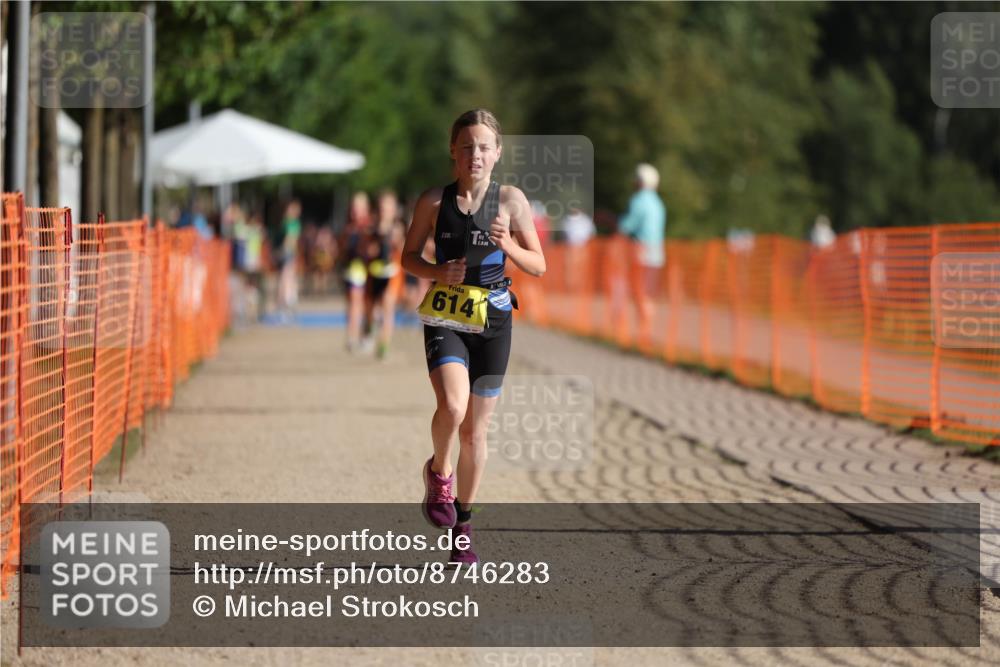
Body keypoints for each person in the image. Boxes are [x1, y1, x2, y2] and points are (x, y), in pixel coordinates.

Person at [401, 109, 546, 564]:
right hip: (446, 313)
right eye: (467, 146)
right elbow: (407, 258)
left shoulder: (511, 201)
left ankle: (463, 525)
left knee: (476, 433)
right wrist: (436, 271)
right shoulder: (431, 201)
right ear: (453, 152)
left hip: (494, 320)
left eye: (484, 146)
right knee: (453, 406)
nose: (475, 155)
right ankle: (438, 472)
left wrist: (509, 246)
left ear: (497, 153)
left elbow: (538, 264)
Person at [617, 163, 666, 348]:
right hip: (657, 254)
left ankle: (644, 334)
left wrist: (619, 224)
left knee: (640, 293)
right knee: (649, 294)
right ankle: (647, 332)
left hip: (640, 253)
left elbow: (626, 226)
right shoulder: (658, 203)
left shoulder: (639, 200)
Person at [364, 190, 405, 359]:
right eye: (382, 206)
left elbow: (404, 249)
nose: (384, 210)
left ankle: (383, 345)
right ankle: (370, 328)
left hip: (392, 272)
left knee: (388, 306)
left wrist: (397, 242)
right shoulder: (371, 228)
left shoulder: (397, 228)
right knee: (371, 307)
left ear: (394, 209)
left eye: (388, 206)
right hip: (374, 271)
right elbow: (366, 250)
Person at [339, 192, 373, 352]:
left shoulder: (370, 227)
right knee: (353, 302)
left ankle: (365, 335)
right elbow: (342, 252)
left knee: (367, 305)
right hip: (353, 270)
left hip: (370, 270)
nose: (355, 211)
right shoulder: (347, 228)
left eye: (358, 207)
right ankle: (352, 337)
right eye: (353, 207)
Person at [277, 200, 303, 321]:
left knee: (286, 279)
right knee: (287, 280)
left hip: (288, 253)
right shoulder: (290, 223)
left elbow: (290, 240)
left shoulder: (289, 223)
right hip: (288, 253)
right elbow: (291, 240)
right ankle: (287, 307)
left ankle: (286, 307)